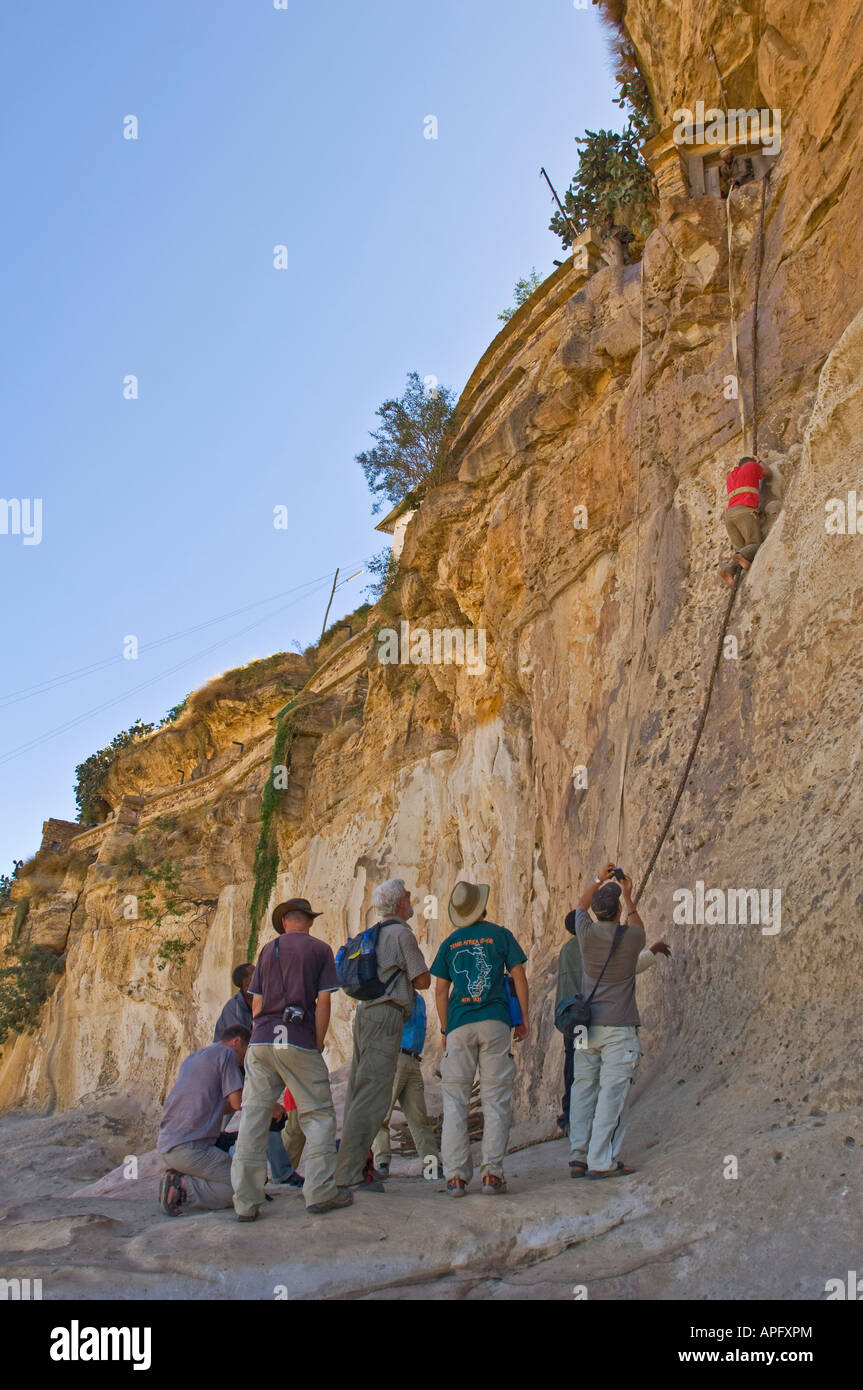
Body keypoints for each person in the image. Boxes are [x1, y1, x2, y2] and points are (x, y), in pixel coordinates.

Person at [231, 897, 350, 1220]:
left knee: (254, 1119)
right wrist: (318, 1041)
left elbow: (255, 1004)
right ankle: (320, 1191)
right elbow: (323, 1001)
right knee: (319, 1115)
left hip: (261, 1040)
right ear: (308, 921)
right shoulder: (320, 950)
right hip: (297, 1040)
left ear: (284, 922)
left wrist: (262, 1032)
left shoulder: (268, 951)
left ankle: (245, 1201)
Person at [567, 863, 670, 1179]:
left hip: (586, 1025)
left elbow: (580, 905)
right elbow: (638, 924)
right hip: (617, 1026)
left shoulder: (584, 934)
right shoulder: (631, 938)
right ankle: (601, 1160)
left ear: (598, 912)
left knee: (583, 1087)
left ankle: (579, 1156)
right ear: (616, 912)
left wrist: (598, 878)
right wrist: (628, 895)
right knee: (612, 1092)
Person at [431, 881, 529, 1197]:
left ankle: (456, 1177)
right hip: (495, 1022)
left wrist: (446, 1030)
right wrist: (523, 1018)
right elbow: (519, 976)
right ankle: (492, 1175)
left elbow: (439, 991)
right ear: (482, 906)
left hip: (460, 1024)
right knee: (495, 1098)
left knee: (455, 1101)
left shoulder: (449, 944)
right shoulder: (501, 936)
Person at [334, 878, 431, 1194]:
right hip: (387, 1015)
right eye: (407, 895)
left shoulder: (372, 934)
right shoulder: (402, 933)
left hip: (364, 1013)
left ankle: (357, 1164)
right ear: (400, 904)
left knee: (357, 1091)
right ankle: (351, 1173)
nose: (411, 898)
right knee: (374, 1094)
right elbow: (422, 980)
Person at [158, 1024, 249, 1216]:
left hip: (169, 1143)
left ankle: (181, 1176)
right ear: (237, 1042)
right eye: (245, 1052)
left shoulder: (194, 1057)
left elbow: (218, 1107)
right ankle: (183, 1189)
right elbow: (238, 1103)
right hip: (190, 1148)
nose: (243, 1061)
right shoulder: (227, 1055)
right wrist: (270, 1107)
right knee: (243, 1188)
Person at [371, 994, 441, 1177]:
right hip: (396, 1056)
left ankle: (431, 1166)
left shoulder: (417, 999)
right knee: (382, 1115)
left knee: (418, 1118)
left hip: (412, 1060)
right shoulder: (395, 995)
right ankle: (382, 1163)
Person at [720, 455, 773, 588]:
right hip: (744, 510)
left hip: (729, 515)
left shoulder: (731, 475)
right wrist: (759, 461)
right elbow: (768, 474)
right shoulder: (751, 466)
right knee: (755, 544)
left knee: (743, 549)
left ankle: (728, 570)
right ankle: (741, 555)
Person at [213, 963, 254, 1041]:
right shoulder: (233, 1009)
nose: (262, 978)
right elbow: (240, 1043)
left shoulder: (260, 1002)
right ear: (246, 984)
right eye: (257, 976)